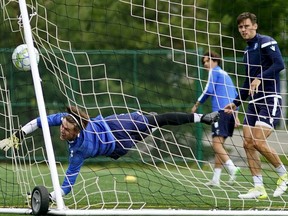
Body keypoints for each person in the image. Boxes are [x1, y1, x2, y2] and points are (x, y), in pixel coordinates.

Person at [0, 106, 219, 201]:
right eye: (62, 126)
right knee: (149, 128)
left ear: (78, 129)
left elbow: (65, 188)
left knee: (157, 120)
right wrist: (17, 135)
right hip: (118, 147)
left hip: (113, 125)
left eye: (66, 128)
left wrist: (50, 196)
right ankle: (148, 124)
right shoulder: (73, 137)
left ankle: (202, 118)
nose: (62, 129)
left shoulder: (79, 147)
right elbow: (40, 122)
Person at [224, 12, 286, 199]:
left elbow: (279, 64)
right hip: (253, 102)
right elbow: (247, 82)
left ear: (255, 26)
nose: (244, 29)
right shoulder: (247, 52)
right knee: (247, 143)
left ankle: (284, 174)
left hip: (269, 98)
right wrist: (235, 104)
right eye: (241, 27)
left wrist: (260, 78)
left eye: (247, 26)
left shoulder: (266, 41)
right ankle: (258, 187)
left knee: (258, 141)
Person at [191, 51, 240, 187]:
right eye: (204, 62)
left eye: (207, 61)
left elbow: (208, 90)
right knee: (219, 146)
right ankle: (216, 179)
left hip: (220, 111)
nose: (205, 64)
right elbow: (236, 96)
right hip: (230, 113)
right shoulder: (226, 75)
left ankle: (232, 168)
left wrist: (196, 104)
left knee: (216, 145)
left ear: (215, 60)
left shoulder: (215, 72)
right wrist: (236, 116)